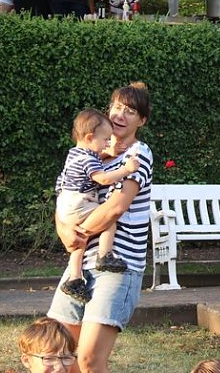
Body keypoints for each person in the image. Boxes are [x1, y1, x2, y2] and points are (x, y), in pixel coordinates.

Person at [48, 82, 154, 373]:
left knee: (90, 360)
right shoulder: (88, 154)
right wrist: (63, 232)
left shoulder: (137, 155)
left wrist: (77, 233)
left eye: (131, 111)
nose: (120, 115)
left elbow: (115, 208)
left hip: (118, 266)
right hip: (81, 266)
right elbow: (64, 195)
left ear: (141, 121)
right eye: (117, 107)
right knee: (60, 355)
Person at [55, 109, 141, 303]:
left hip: (66, 205)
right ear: (89, 137)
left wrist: (106, 153)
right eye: (104, 140)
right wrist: (126, 169)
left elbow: (94, 159)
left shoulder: (74, 154)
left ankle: (75, 278)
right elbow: (102, 178)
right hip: (79, 202)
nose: (107, 144)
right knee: (108, 221)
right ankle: (105, 255)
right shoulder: (87, 159)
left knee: (79, 242)